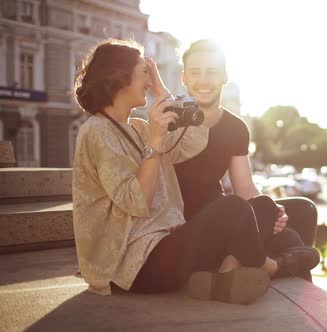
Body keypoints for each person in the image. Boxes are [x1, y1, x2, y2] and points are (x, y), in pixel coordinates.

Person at [72, 39, 291, 304]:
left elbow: (193, 142)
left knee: (263, 207)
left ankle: (222, 279)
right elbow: (136, 202)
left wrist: (161, 91)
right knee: (234, 208)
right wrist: (154, 141)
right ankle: (274, 266)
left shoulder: (138, 128)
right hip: (133, 266)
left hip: (162, 245)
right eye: (144, 73)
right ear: (120, 78)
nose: (149, 81)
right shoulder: (96, 131)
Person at [174, 40, 319, 281]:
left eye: (212, 72)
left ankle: (251, 269)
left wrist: (273, 210)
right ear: (184, 78)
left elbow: (244, 187)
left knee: (300, 215)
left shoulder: (235, 127)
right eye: (195, 72)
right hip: (186, 226)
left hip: (226, 218)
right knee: (294, 247)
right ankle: (237, 270)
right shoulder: (170, 120)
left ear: (224, 76)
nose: (203, 80)